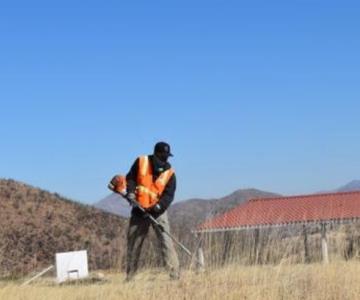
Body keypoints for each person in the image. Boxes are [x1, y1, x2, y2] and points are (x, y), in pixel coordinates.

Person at [124, 141, 180, 281]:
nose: (166, 159)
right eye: (163, 156)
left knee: (166, 242)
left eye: (167, 156)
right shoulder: (141, 162)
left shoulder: (170, 173)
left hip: (158, 212)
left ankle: (175, 275)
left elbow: (168, 195)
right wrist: (131, 193)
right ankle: (130, 277)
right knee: (134, 243)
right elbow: (130, 178)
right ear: (156, 154)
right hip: (139, 210)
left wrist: (158, 207)